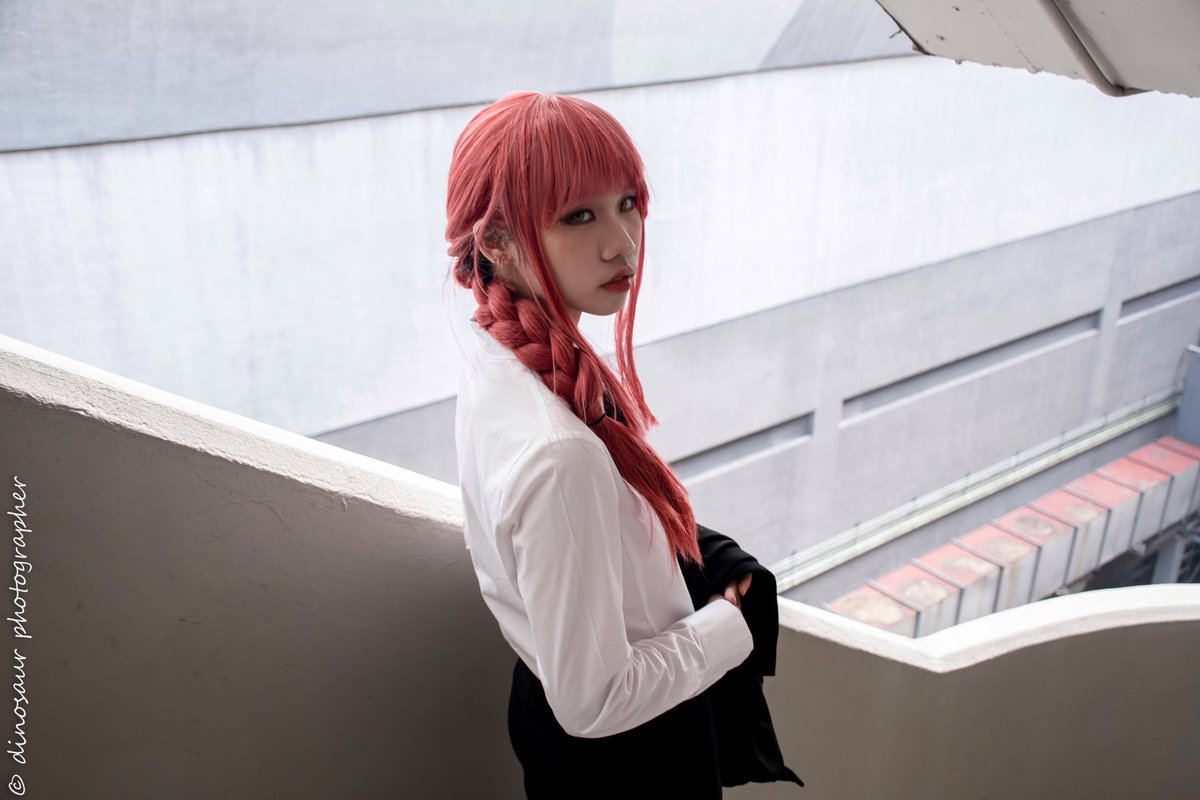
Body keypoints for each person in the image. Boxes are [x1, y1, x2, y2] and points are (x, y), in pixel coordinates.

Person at [445, 90, 759, 798]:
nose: (623, 242)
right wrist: (729, 625)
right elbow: (594, 702)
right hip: (633, 759)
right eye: (579, 216)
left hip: (566, 726)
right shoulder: (560, 453)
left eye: (627, 203)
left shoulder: (496, 355)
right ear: (495, 242)